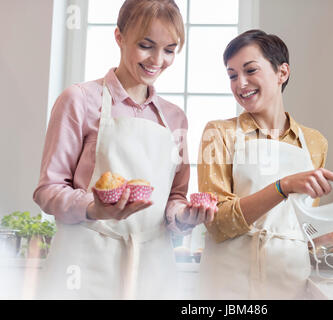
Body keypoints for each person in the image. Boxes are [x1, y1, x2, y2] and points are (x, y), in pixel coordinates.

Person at [33, 0, 214, 300]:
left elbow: (175, 198)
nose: (158, 59)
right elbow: (48, 190)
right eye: (146, 45)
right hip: (85, 263)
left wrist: (185, 217)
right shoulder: (79, 100)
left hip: (153, 268)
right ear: (119, 36)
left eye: (170, 49)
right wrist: (93, 208)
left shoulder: (174, 118)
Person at [196, 29, 333, 300]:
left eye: (250, 70)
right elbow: (218, 223)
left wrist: (327, 237)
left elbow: (296, 229)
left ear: (282, 73)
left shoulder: (315, 143)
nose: (240, 83)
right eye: (232, 75)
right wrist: (283, 186)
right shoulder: (219, 134)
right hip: (229, 285)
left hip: (289, 283)